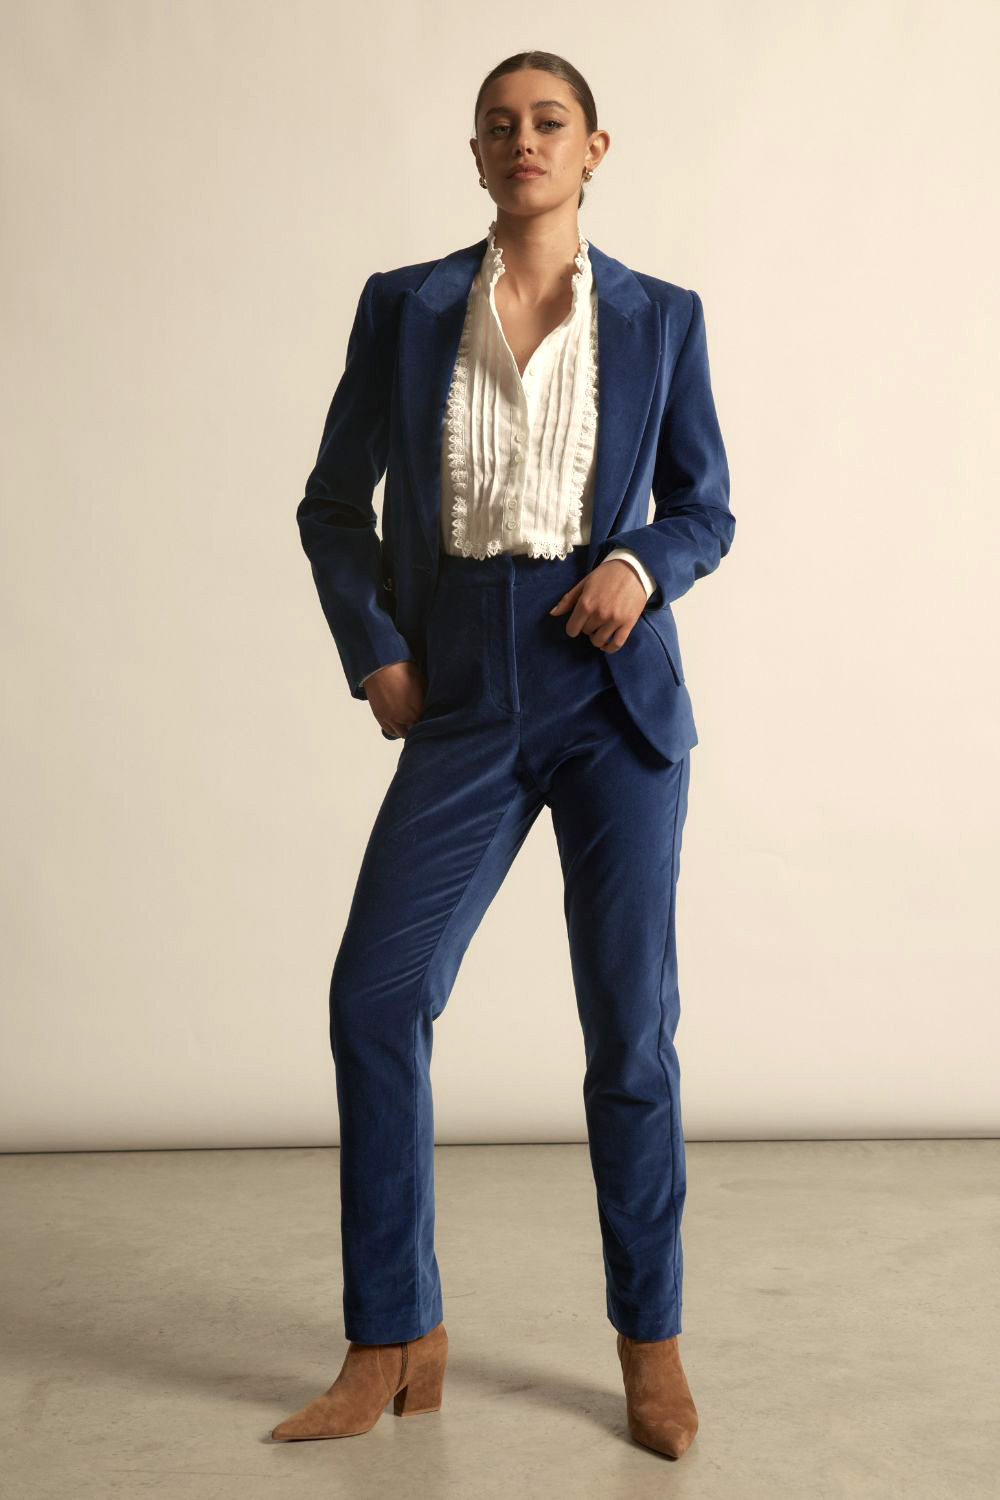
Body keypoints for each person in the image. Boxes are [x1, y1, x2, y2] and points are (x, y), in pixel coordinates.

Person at [272, 49, 734, 1460]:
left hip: (611, 692)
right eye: (498, 126)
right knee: (376, 999)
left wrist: (640, 568)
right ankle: (392, 1336)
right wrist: (378, 649)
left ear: (595, 148)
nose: (522, 141)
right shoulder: (406, 309)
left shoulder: (662, 316)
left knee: (629, 1033)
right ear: (475, 155)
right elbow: (332, 504)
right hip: (463, 686)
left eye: (548, 122)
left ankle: (650, 1344)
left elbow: (705, 506)